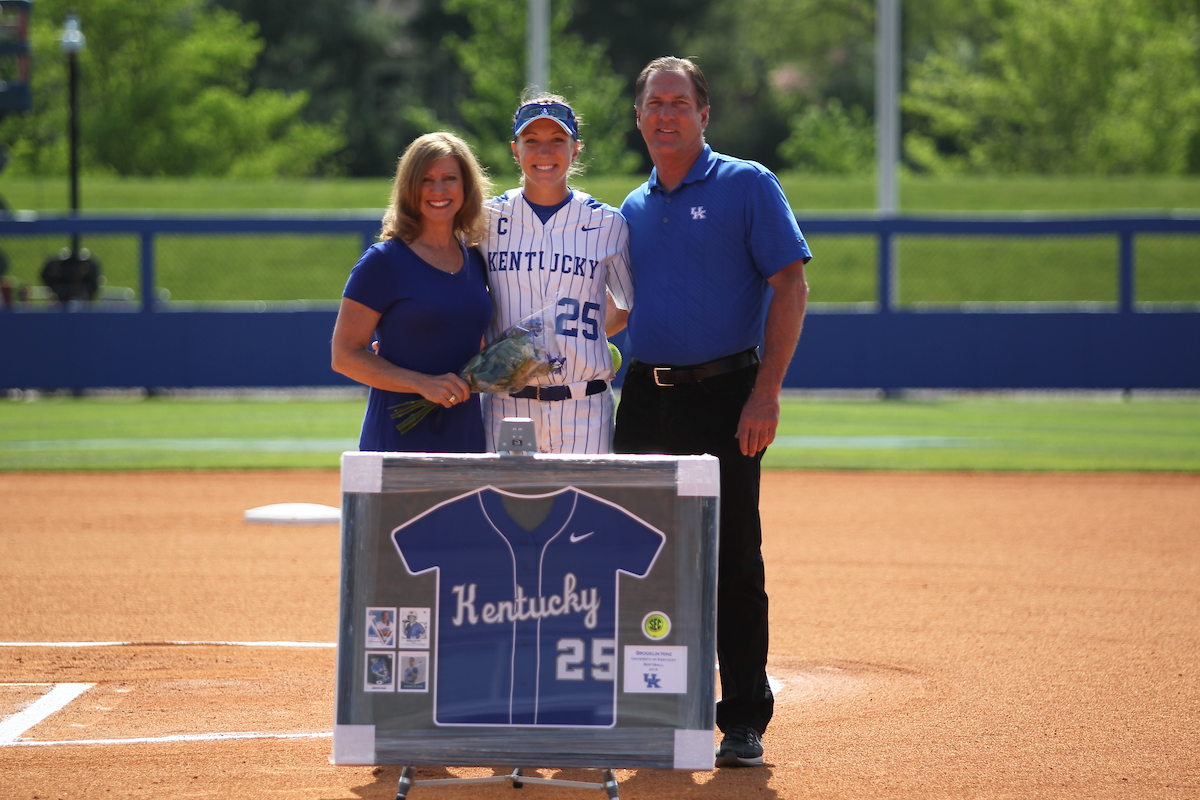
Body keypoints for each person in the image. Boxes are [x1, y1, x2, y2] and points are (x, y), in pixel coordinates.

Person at [612, 57, 812, 767]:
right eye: (653, 104)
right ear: (638, 119)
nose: (665, 114)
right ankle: (651, 705)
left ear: (704, 115)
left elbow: (791, 285)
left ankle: (743, 720)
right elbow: (615, 313)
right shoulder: (630, 209)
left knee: (733, 560)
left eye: (679, 102)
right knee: (637, 559)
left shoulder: (747, 184)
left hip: (727, 395)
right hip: (642, 397)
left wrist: (767, 392)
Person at [478, 92, 634, 454]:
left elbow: (627, 304)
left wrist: (574, 340)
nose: (544, 152)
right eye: (531, 141)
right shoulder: (484, 221)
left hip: (584, 406)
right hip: (508, 405)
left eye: (557, 141)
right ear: (515, 150)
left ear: (576, 148)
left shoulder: (608, 224)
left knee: (585, 509)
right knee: (507, 508)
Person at [332, 132, 493, 453]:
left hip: (466, 434)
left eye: (450, 178)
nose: (438, 190)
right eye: (426, 180)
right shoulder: (383, 261)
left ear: (466, 187)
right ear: (409, 188)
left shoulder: (476, 259)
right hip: (397, 438)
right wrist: (422, 383)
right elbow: (344, 356)